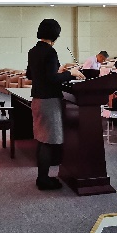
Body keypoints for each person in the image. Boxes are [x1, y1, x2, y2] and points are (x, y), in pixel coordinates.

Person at [26, 19, 84, 190]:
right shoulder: (50, 52)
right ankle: (43, 180)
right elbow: (52, 79)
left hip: (37, 99)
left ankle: (42, 177)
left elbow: (30, 74)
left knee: (42, 139)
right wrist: (71, 73)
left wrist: (57, 71)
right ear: (55, 34)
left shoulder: (33, 50)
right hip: (49, 101)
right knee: (48, 141)